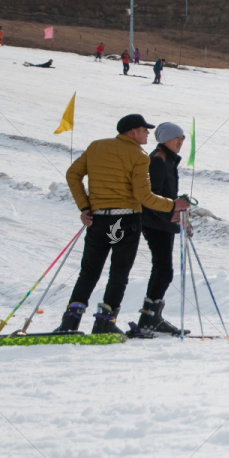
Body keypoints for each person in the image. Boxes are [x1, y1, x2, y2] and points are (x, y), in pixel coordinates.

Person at [53, 114, 191, 336]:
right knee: (118, 273)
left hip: (98, 220)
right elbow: (143, 196)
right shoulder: (140, 155)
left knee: (89, 272)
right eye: (144, 129)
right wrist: (172, 205)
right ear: (132, 131)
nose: (148, 133)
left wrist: (84, 207)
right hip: (125, 221)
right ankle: (104, 322)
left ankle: (70, 322)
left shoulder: (96, 146)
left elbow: (72, 175)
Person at [138, 122, 187, 335]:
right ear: (164, 138)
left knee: (162, 269)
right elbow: (151, 196)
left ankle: (151, 316)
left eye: (183, 138)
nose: (180, 142)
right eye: (177, 137)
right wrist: (171, 212)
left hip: (162, 221)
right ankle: (150, 318)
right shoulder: (158, 160)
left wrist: (176, 209)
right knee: (163, 270)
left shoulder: (167, 159)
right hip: (155, 222)